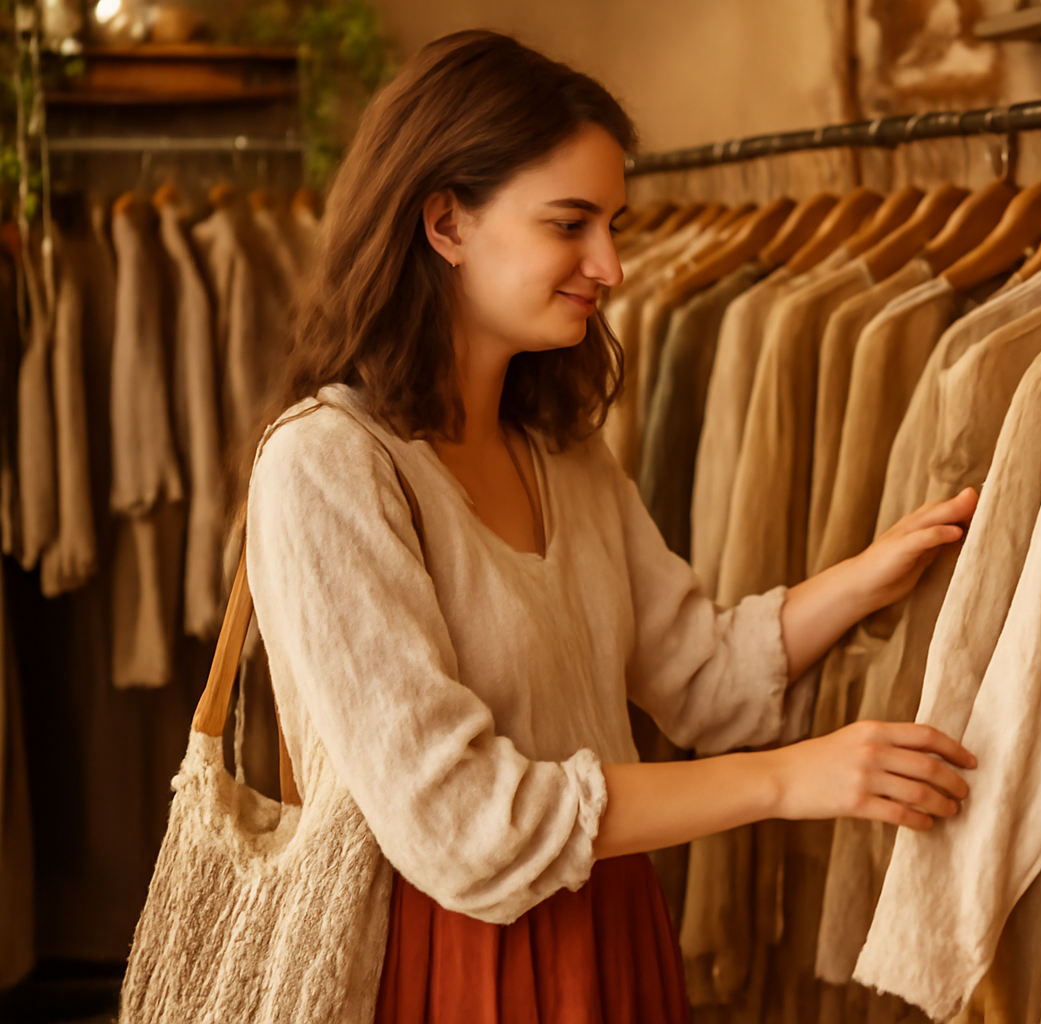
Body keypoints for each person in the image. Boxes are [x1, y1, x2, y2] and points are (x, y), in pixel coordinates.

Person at [243, 28, 979, 1024]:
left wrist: (869, 574)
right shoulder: (328, 467)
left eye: (614, 223)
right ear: (446, 223)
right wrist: (783, 782)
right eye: (571, 223)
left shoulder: (563, 453)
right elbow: (464, 827)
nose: (614, 264)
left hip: (613, 930)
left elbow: (704, 677)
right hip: (446, 967)